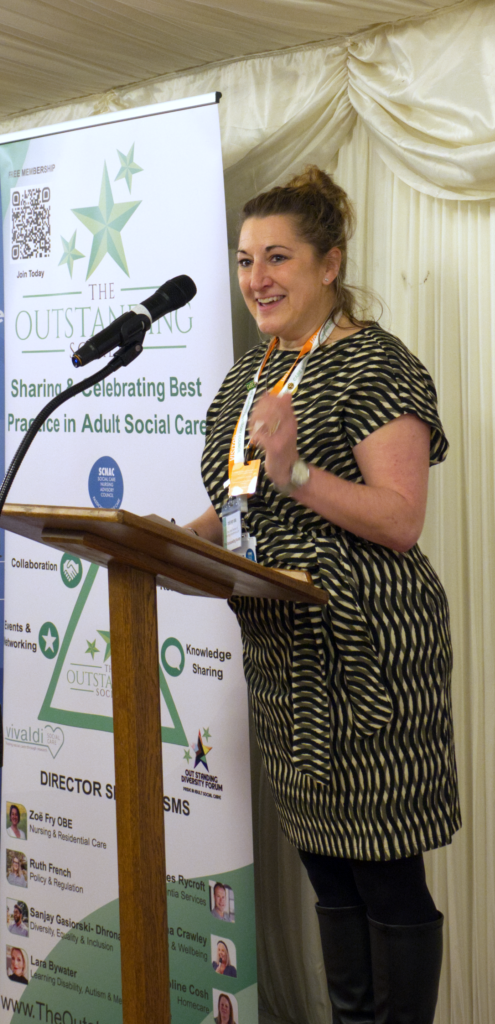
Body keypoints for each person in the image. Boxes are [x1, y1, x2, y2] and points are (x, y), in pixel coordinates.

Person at [186, 167, 460, 1024]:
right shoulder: (248, 379)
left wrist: (295, 470)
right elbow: (242, 503)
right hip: (283, 654)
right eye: (244, 261)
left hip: (367, 653)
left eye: (278, 258)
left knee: (384, 871)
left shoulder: (375, 363)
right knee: (327, 868)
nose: (256, 278)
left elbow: (399, 518)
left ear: (329, 263)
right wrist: (167, 537)